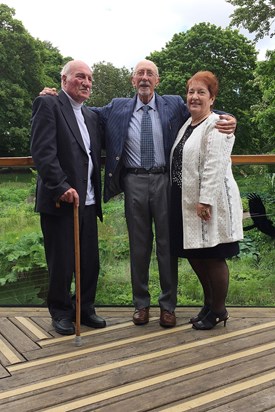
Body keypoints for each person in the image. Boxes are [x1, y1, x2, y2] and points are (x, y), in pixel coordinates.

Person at [40, 59, 236, 328]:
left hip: (164, 181)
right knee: (139, 247)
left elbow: (201, 108)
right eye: (140, 73)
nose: (144, 78)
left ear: (157, 80)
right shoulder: (116, 107)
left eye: (150, 74)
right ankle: (141, 305)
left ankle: (168, 307)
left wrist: (227, 117)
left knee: (167, 247)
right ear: (133, 80)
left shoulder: (174, 103)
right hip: (132, 181)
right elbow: (79, 109)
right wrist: (55, 98)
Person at [31, 60, 106, 335]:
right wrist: (60, 186)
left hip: (86, 201)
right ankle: (61, 312)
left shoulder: (92, 116)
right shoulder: (49, 105)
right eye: (79, 76)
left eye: (89, 78)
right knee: (62, 262)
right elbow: (43, 152)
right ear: (64, 80)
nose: (86, 82)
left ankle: (84, 308)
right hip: (61, 201)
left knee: (89, 262)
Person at [169, 70, 243, 330]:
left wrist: (206, 201)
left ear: (212, 98)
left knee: (213, 255)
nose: (194, 97)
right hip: (186, 201)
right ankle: (209, 303)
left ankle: (219, 310)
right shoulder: (187, 125)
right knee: (195, 254)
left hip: (209, 203)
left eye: (201, 92)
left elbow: (215, 165)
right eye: (191, 92)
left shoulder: (219, 124)